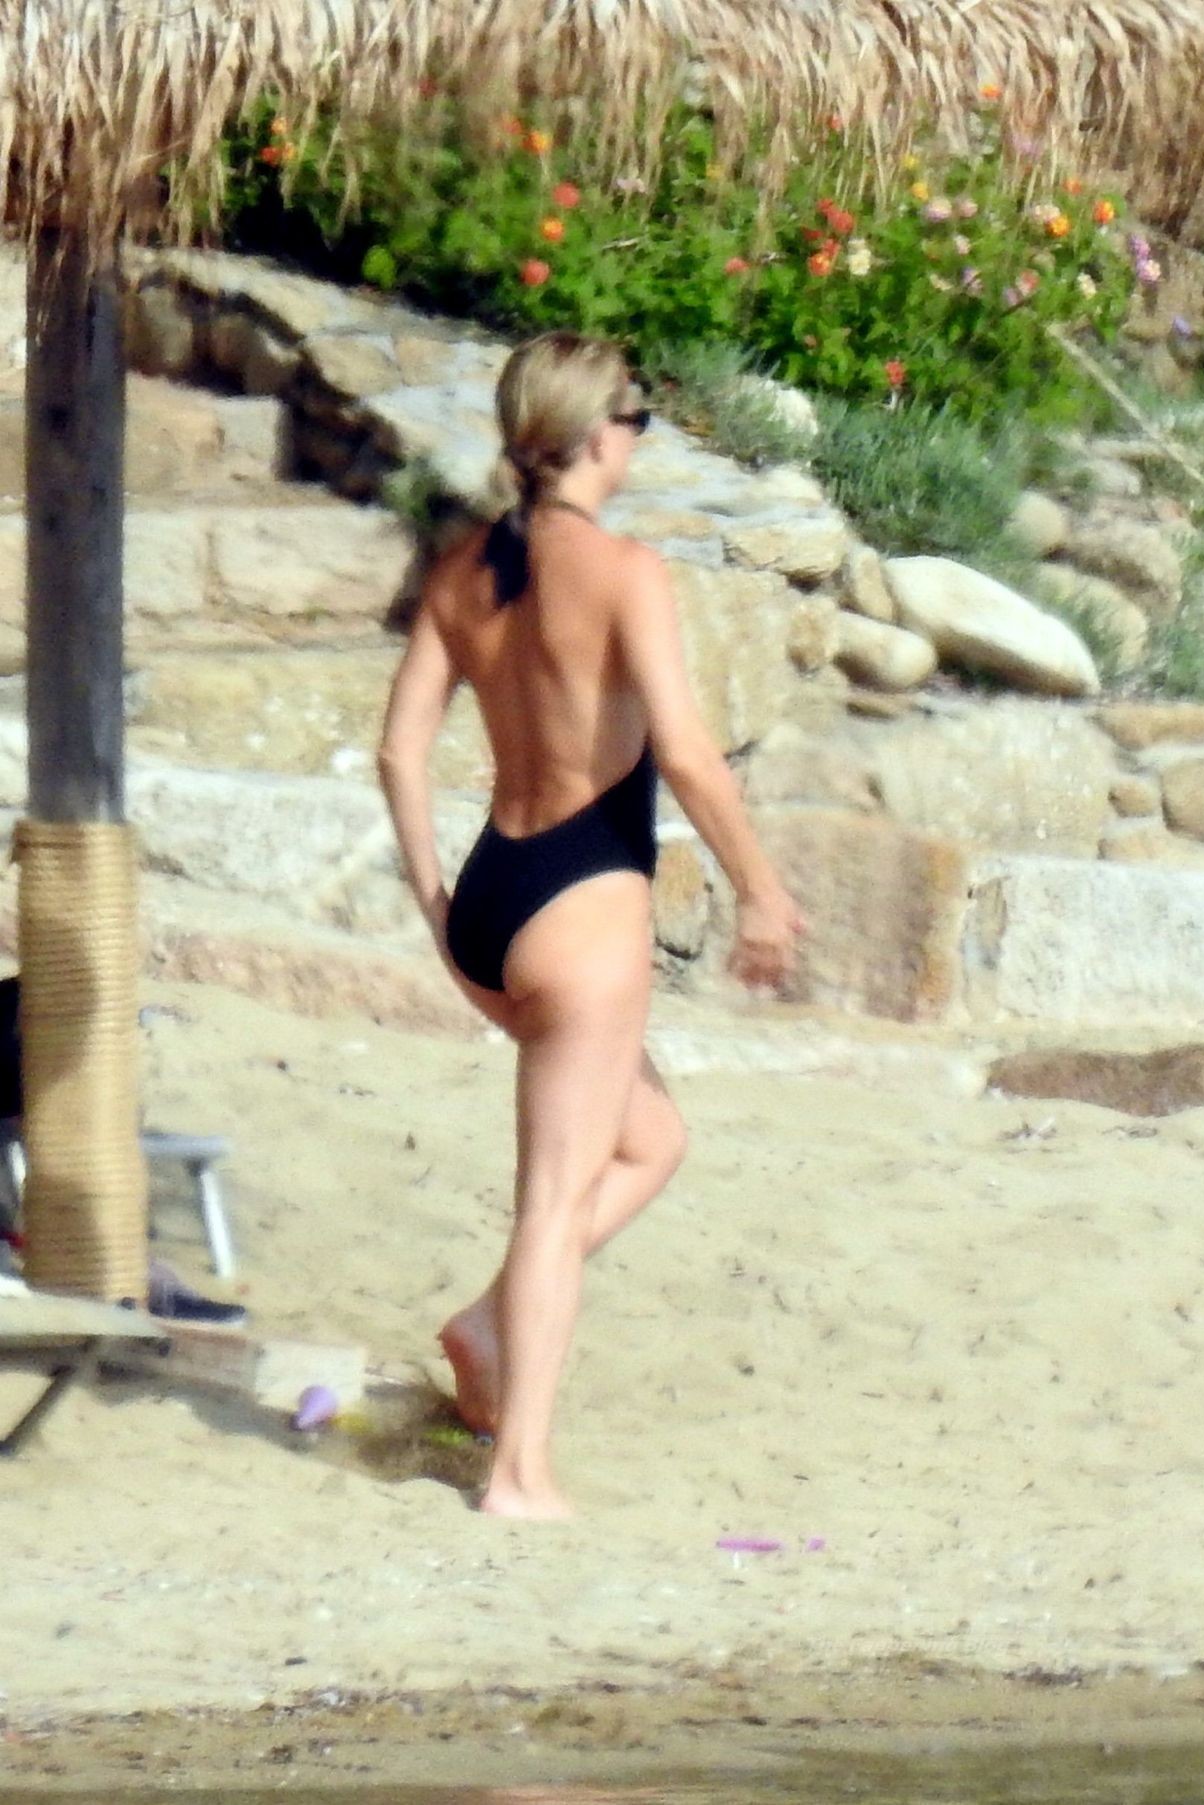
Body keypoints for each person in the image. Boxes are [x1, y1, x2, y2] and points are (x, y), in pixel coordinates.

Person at [377, 331, 807, 1520]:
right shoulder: (626, 572)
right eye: (638, 416)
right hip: (583, 906)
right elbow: (687, 755)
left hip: (491, 896)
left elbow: (400, 752)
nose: (640, 437)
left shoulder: (462, 570)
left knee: (652, 1138)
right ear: (594, 435)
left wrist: (436, 907)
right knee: (555, 1203)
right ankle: (519, 1471)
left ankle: (486, 1322)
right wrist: (761, 891)